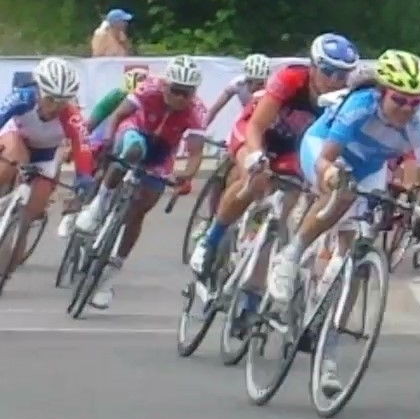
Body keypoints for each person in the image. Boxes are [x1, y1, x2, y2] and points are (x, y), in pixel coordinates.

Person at [270, 49, 420, 396]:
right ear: (382, 92)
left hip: (368, 168)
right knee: (342, 192)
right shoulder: (360, 104)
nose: (408, 109)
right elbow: (326, 159)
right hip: (324, 149)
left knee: (353, 255)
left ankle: (328, 355)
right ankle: (290, 256)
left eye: (416, 102)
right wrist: (331, 175)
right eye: (400, 100)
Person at [188, 34, 359, 279]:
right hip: (258, 130)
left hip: (291, 146)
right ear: (312, 67)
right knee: (254, 179)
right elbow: (256, 126)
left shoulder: (343, 100)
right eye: (328, 71)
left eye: (342, 75)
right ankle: (211, 238)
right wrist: (256, 156)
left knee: (288, 196)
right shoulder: (290, 79)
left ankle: (255, 270)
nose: (334, 80)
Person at [74, 55, 210, 310]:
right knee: (132, 150)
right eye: (176, 90)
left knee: (140, 209)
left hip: (162, 152)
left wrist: (186, 176)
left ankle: (109, 277)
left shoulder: (196, 112)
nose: (180, 98)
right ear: (166, 85)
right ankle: (97, 206)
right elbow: (117, 116)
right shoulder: (148, 88)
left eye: (187, 93)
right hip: (135, 132)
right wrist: (108, 142)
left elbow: (195, 153)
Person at [0, 58, 93, 271]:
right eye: (50, 99)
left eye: (63, 101)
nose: (55, 107)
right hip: (16, 139)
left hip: (44, 156)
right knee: (15, 156)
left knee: (30, 213)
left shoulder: (71, 116)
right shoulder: (23, 98)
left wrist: (84, 177)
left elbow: (83, 148)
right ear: (39, 90)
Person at [206, 54, 272, 126]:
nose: (262, 87)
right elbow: (214, 110)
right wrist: (202, 129)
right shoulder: (238, 84)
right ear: (248, 80)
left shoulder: (271, 87)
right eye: (259, 84)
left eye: (264, 82)